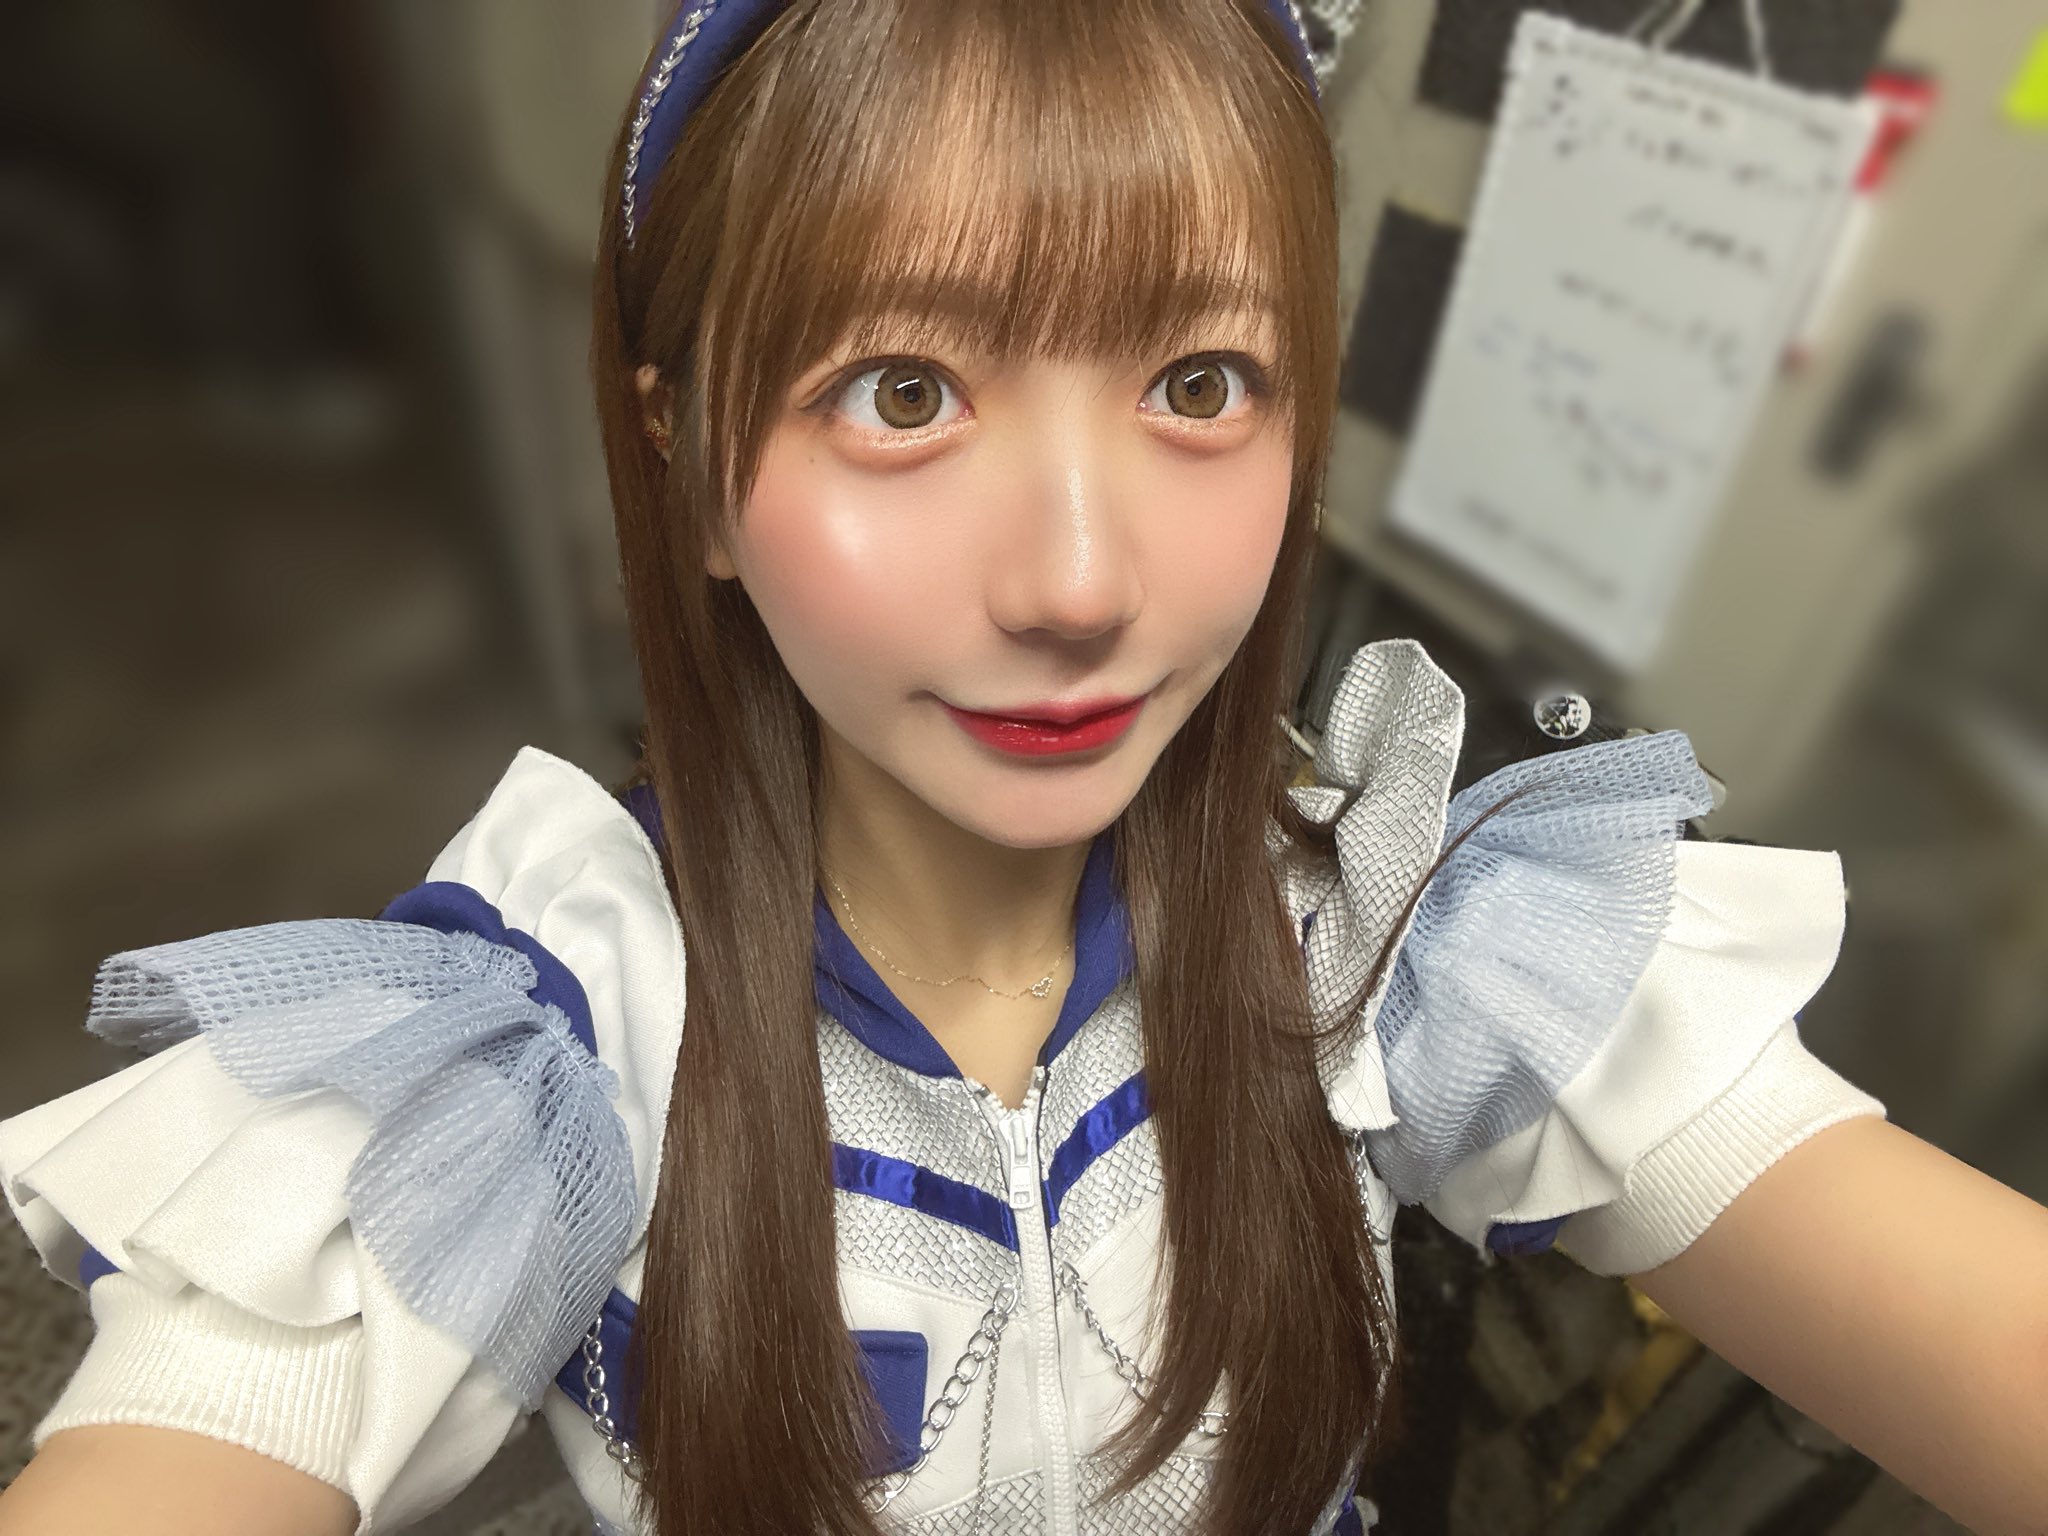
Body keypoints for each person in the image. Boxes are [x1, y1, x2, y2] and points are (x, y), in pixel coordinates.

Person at [4, 2, 2047, 1534]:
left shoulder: (1409, 937)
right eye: (903, 392)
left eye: (1199, 382)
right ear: (684, 460)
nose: (1080, 583)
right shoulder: (545, 1044)